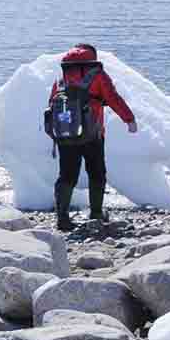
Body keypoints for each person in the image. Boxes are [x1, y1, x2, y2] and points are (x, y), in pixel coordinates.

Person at [50, 44, 138, 231]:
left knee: (67, 175)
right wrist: (129, 119)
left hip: (66, 135)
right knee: (97, 173)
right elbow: (113, 98)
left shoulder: (61, 78)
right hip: (93, 134)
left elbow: (52, 104)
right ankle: (96, 214)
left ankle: (62, 218)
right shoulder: (97, 75)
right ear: (92, 57)